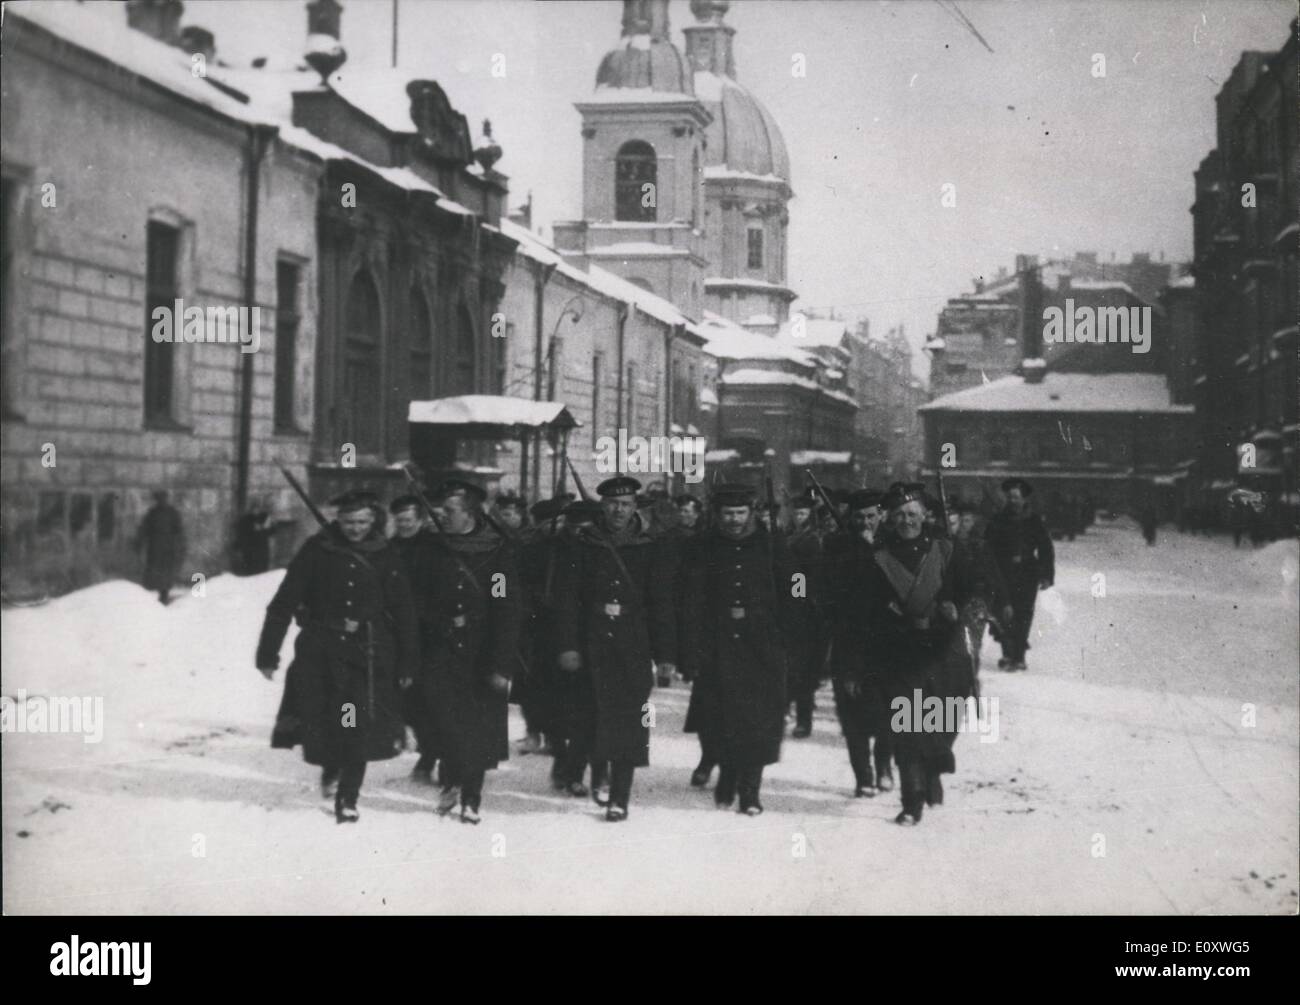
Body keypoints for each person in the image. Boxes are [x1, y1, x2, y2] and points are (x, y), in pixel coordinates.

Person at [255, 489, 418, 823]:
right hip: (321, 652)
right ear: (337, 520)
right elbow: (284, 601)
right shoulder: (317, 550)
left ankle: (348, 795)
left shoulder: (385, 555)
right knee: (329, 721)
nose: (355, 529)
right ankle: (332, 766)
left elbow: (404, 611)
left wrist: (408, 661)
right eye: (348, 522)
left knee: (355, 723)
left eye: (362, 521)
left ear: (373, 520)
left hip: (366, 654)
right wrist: (268, 653)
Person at [553, 477, 677, 821]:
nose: (618, 511)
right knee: (591, 717)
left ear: (634, 507)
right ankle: (597, 777)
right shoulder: (583, 544)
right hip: (591, 643)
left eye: (624, 504)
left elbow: (661, 602)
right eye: (611, 504)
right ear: (602, 507)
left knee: (629, 721)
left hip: (632, 645)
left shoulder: (651, 545)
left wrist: (666, 654)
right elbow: (566, 600)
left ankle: (620, 796)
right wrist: (567, 645)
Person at [856, 482, 977, 826]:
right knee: (908, 730)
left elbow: (972, 587)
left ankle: (933, 770)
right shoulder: (879, 558)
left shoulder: (946, 550)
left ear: (924, 515)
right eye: (899, 516)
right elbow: (866, 606)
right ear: (890, 519)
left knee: (941, 724)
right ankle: (912, 801)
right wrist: (888, 612)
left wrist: (956, 606)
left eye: (912, 514)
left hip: (945, 651)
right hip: (902, 652)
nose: (907, 521)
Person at [407, 479, 524, 824]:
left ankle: (471, 795)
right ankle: (451, 779)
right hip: (440, 649)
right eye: (442, 510)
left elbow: (505, 606)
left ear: (471, 513)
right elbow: (414, 597)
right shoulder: (430, 549)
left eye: (451, 511)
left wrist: (502, 663)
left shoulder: (497, 552)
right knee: (442, 720)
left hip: (482, 653)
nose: (443, 516)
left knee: (478, 727)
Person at [680, 484, 794, 815]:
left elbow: (797, 586)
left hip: (762, 648)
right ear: (716, 515)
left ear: (751, 513)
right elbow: (689, 598)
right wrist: (691, 649)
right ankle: (727, 776)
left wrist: (789, 626)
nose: (733, 520)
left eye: (740, 513)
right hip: (717, 646)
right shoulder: (702, 547)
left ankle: (750, 792)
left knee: (758, 723)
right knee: (719, 720)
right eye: (727, 514)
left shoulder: (772, 546)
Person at [826, 488, 895, 797]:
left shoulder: (896, 544)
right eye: (859, 517)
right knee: (852, 713)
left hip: (888, 641)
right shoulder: (837, 546)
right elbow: (827, 589)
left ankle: (883, 765)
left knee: (889, 710)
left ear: (882, 515)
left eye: (871, 516)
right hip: (849, 641)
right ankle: (863, 775)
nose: (866, 522)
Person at [519, 494, 581, 793]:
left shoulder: (589, 547)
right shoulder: (541, 549)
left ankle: (581, 763)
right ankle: (559, 750)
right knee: (549, 699)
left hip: (585, 634)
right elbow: (516, 582)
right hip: (545, 634)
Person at [388, 494, 440, 785]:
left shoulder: (433, 547)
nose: (404, 525)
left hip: (427, 632)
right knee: (401, 694)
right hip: (394, 631)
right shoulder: (389, 548)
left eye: (408, 520)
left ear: (420, 520)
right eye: (399, 520)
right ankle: (416, 744)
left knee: (425, 697)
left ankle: (429, 756)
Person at [985, 478, 1054, 672]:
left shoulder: (1034, 520)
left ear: (1024, 499)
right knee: (1004, 612)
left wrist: (1047, 574)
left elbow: (1045, 547)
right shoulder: (998, 520)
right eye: (1010, 497)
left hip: (1027, 574)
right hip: (1003, 573)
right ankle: (1007, 654)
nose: (1013, 500)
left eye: (1016, 497)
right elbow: (988, 548)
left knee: (1023, 614)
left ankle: (1019, 656)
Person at [784, 493, 825, 739]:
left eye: (803, 513)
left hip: (805, 610)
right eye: (796, 513)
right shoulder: (791, 535)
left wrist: (798, 596)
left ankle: (804, 719)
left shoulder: (812, 540)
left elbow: (804, 576)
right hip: (790, 607)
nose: (799, 517)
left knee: (803, 671)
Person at [953, 502, 1009, 679]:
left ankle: (969, 680)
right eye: (959, 521)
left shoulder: (981, 547)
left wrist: (1004, 601)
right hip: (953, 602)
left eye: (967, 520)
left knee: (972, 645)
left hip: (976, 602)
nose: (963, 524)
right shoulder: (947, 544)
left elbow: (994, 574)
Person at [135, 489, 184, 605]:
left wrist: (178, 546)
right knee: (155, 572)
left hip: (168, 548)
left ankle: (164, 595)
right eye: (160, 499)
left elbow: (179, 531)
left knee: (166, 572)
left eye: (164, 498)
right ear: (157, 500)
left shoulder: (173, 513)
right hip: (155, 547)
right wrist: (139, 543)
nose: (162, 501)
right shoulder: (152, 513)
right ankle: (155, 597)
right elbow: (144, 529)